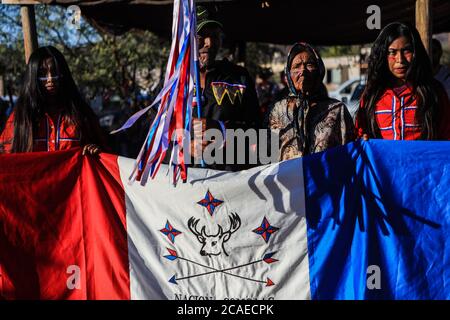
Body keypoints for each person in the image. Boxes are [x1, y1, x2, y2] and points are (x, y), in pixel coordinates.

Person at [0, 46, 106, 155]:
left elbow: (105, 152)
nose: (50, 79)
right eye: (42, 73)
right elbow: (6, 158)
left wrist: (94, 150)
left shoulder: (81, 114)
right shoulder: (21, 117)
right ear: (33, 77)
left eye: (55, 72)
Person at [190, 6, 260, 170]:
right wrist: (184, 148)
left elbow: (259, 132)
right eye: (202, 35)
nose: (209, 43)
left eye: (214, 36)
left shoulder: (238, 77)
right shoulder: (176, 83)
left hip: (229, 182)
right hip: (189, 185)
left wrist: (220, 128)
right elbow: (159, 140)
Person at [355, 23, 450, 140]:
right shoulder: (372, 95)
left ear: (416, 52)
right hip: (382, 159)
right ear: (382, 55)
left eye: (406, 51)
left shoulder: (433, 92)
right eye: (392, 52)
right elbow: (359, 133)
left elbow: (446, 136)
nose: (400, 60)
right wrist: (363, 138)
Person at [267, 42, 355, 161]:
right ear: (288, 73)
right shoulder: (277, 111)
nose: (303, 70)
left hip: (324, 178)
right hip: (286, 179)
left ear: (319, 70)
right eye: (296, 66)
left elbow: (350, 155)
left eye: (309, 64)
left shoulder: (337, 110)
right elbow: (264, 157)